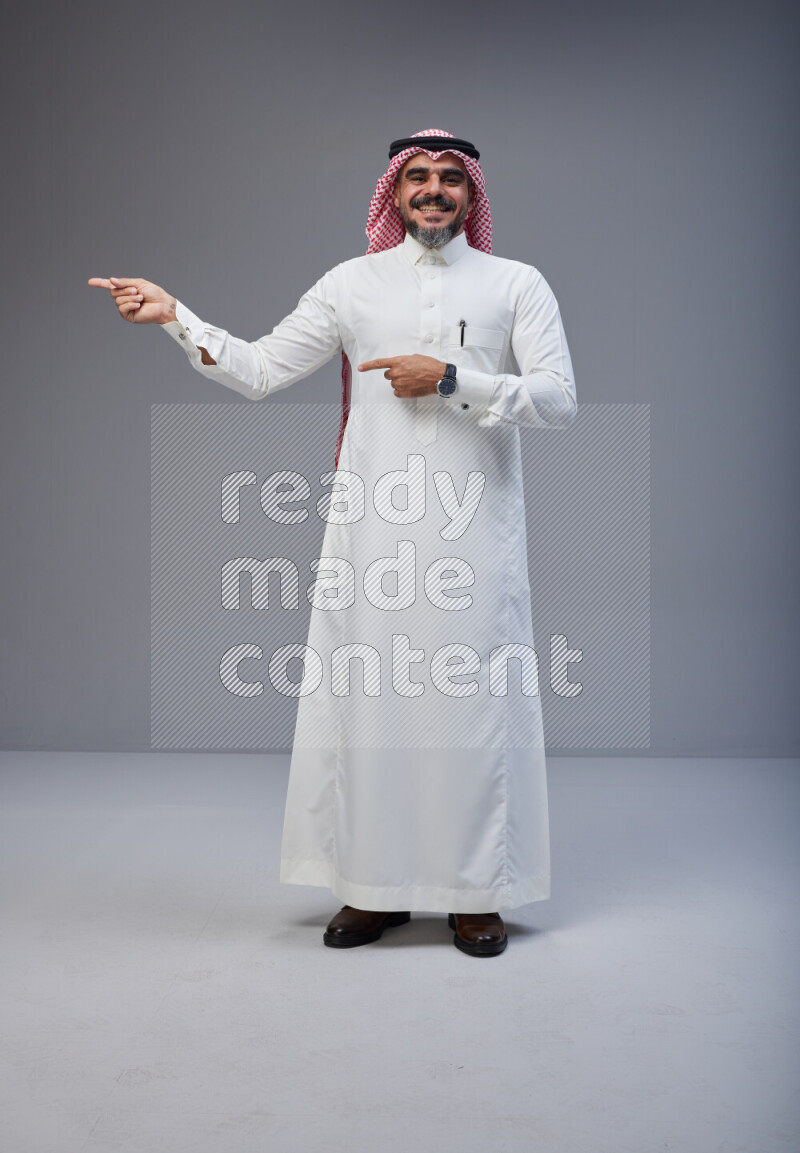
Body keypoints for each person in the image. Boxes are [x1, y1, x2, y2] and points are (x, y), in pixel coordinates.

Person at [89, 129, 577, 958]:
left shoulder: (515, 284)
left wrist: (453, 378)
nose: (432, 190)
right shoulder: (351, 285)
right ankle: (371, 888)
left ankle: (472, 895)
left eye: (449, 179)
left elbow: (559, 399)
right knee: (370, 706)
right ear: (392, 193)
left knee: (469, 709)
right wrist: (176, 317)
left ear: (471, 194)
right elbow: (259, 368)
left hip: (474, 537)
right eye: (416, 177)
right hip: (371, 534)